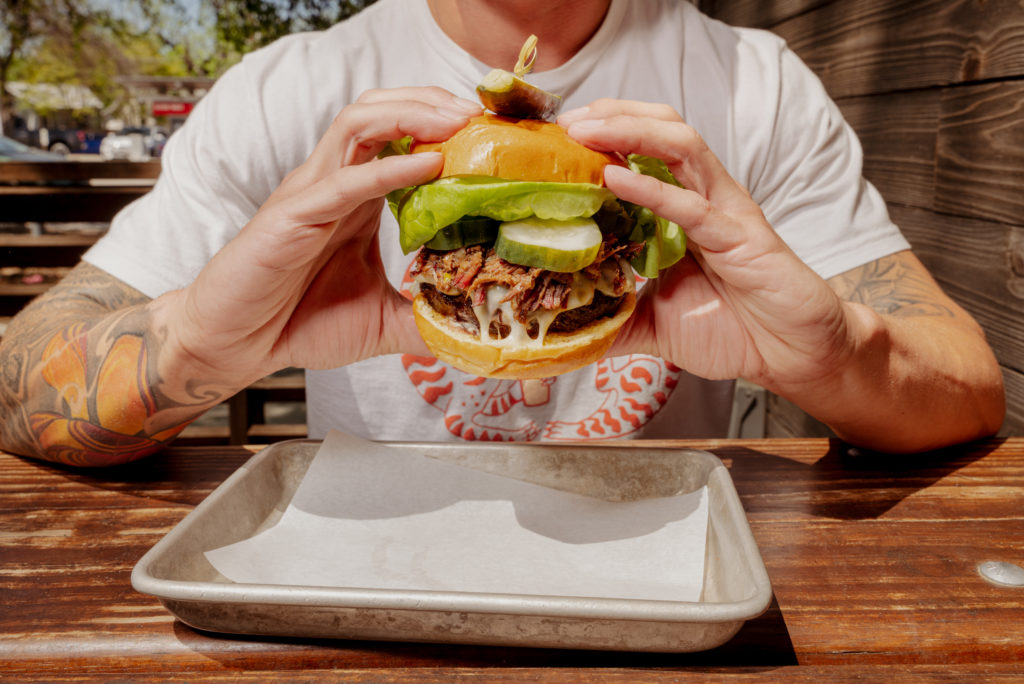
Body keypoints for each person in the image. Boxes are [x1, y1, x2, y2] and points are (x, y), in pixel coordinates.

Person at [0, 0, 1004, 467]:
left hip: (664, 578)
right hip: (360, 589)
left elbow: (967, 389)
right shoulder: (290, 92)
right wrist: (196, 345)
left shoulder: (754, 86)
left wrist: (829, 356)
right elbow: (18, 383)